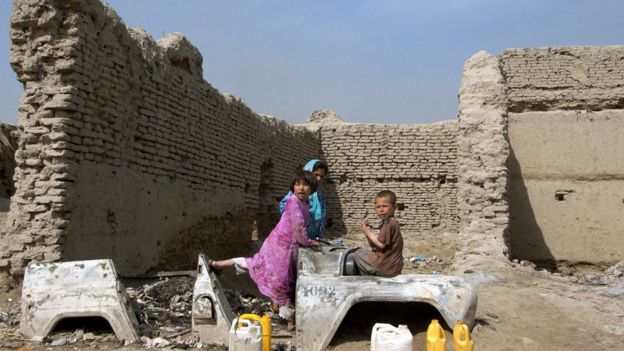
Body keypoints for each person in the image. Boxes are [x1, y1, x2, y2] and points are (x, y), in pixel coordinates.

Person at [210, 170, 319, 331]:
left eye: (305, 184)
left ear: (312, 188)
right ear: (293, 187)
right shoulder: (293, 201)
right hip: (281, 247)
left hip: (288, 246)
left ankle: (219, 264)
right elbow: (297, 227)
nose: (301, 188)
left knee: (260, 265)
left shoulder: (306, 203)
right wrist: (308, 242)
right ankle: (288, 320)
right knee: (284, 281)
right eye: (297, 184)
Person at [352, 190, 404, 277]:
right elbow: (374, 245)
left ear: (394, 207)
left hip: (385, 266)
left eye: (385, 206)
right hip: (391, 266)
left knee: (356, 254)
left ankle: (369, 277)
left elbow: (381, 245)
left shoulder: (389, 223)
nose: (381, 210)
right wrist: (367, 232)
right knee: (360, 251)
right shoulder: (387, 223)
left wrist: (368, 232)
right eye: (378, 207)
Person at [279, 159, 328, 240]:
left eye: (321, 176)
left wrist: (320, 236)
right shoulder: (297, 194)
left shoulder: (319, 195)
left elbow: (321, 219)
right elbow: (287, 212)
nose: (319, 179)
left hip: (312, 238)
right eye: (316, 175)